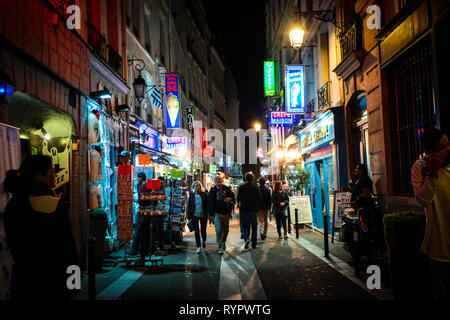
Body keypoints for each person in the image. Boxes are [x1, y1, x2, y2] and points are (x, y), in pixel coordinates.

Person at [3, 155, 79, 300]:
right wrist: (74, 283)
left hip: (22, 281)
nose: (56, 174)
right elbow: (69, 248)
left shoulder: (12, 205)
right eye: (52, 171)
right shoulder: (55, 204)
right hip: (53, 281)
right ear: (39, 176)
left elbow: (14, 246)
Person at [411, 128, 450, 300]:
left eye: (448, 143)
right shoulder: (421, 168)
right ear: (433, 152)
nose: (448, 149)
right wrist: (433, 173)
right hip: (439, 244)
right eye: (443, 147)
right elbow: (423, 200)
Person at [208, 174, 235, 255]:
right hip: (216, 214)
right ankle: (220, 246)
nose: (218, 181)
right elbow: (209, 203)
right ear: (214, 181)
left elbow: (233, 198)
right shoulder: (212, 191)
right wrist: (210, 214)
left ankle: (223, 242)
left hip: (226, 213)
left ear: (222, 181)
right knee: (219, 230)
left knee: (226, 230)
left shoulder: (227, 189)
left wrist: (230, 198)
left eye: (220, 179)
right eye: (217, 180)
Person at [237, 172, 262, 249]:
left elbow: (238, 198)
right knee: (254, 227)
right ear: (253, 178)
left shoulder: (241, 187)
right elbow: (260, 198)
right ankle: (254, 244)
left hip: (244, 209)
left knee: (244, 226)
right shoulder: (256, 187)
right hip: (254, 210)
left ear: (245, 178)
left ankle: (246, 239)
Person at [187, 181, 209, 254]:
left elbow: (207, 205)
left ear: (200, 187)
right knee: (196, 231)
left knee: (203, 230)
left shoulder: (204, 195)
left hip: (203, 215)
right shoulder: (192, 195)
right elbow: (189, 206)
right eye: (195, 186)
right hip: (194, 216)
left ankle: (204, 240)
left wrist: (209, 215)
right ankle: (198, 246)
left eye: (198, 186)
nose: (197, 187)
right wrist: (189, 216)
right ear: (193, 187)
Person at [130, 172, 148, 256]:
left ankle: (134, 249)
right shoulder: (148, 186)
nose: (137, 179)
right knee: (144, 232)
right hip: (148, 211)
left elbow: (141, 199)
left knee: (138, 231)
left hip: (142, 211)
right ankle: (144, 250)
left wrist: (135, 200)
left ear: (141, 178)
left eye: (138, 178)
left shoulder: (141, 187)